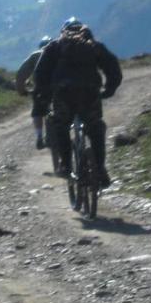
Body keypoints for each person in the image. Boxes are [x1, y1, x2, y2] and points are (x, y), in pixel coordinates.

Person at [33, 18, 122, 187]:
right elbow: (113, 68)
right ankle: (100, 169)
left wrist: (44, 95)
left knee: (60, 125)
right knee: (96, 128)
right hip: (89, 92)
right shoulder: (94, 46)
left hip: (63, 93)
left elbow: (40, 73)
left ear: (63, 32)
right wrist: (109, 89)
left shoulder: (55, 46)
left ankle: (66, 165)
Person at [15, 35, 53, 150]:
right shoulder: (60, 51)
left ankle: (39, 136)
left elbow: (20, 76)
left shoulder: (35, 56)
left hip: (41, 90)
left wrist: (22, 91)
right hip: (59, 88)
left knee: (38, 112)